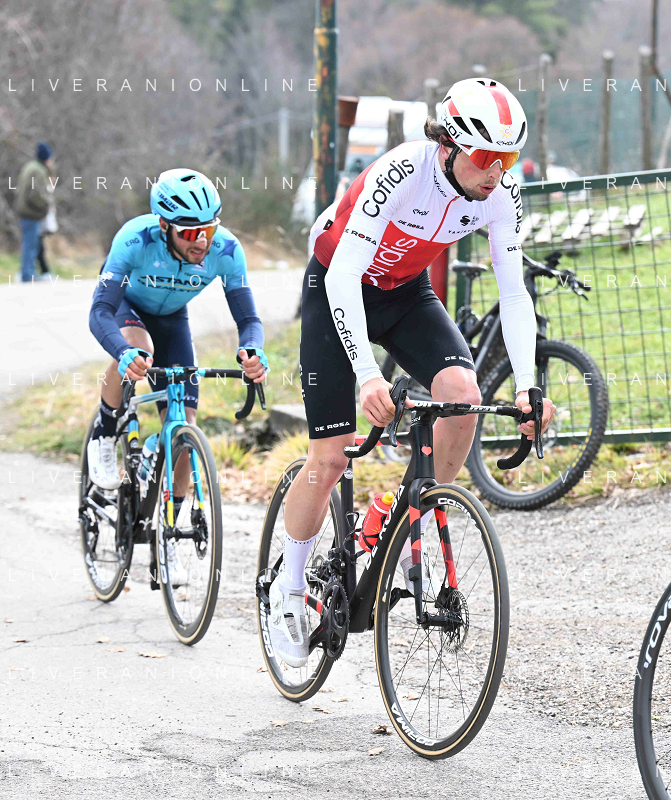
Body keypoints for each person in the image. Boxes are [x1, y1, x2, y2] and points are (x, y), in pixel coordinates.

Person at [268, 78, 557, 668]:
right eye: (485, 156)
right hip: (337, 287)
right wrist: (367, 374)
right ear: (449, 144)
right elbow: (344, 276)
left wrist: (529, 387)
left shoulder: (502, 192)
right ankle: (288, 589)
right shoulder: (400, 173)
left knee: (462, 395)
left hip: (404, 293)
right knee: (329, 459)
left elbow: (513, 293)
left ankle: (406, 520)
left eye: (506, 159)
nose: (495, 172)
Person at [86, 168, 267, 497]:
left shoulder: (226, 249)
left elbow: (249, 320)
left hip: (171, 318)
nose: (201, 242)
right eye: (190, 233)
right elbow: (100, 311)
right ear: (164, 225)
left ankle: (173, 519)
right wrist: (122, 353)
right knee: (141, 348)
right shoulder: (135, 239)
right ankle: (105, 432)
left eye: (209, 229)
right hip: (128, 305)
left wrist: (252, 349)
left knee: (184, 427)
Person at [15, 140, 53, 282]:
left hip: (25, 211)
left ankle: (28, 272)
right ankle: (28, 274)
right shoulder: (39, 171)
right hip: (31, 213)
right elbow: (36, 195)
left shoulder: (30, 167)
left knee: (30, 244)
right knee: (30, 245)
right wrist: (46, 205)